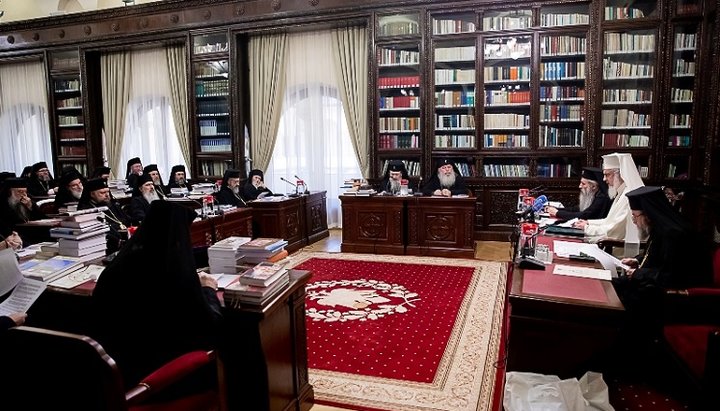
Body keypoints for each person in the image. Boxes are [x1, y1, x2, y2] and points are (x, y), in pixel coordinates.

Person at [90, 201, 222, 393]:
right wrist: (208, 289)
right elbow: (212, 325)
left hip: (117, 378)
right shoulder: (175, 277)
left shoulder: (115, 269)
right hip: (160, 384)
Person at [573, 153, 644, 241]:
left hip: (618, 249)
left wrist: (587, 228)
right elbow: (609, 221)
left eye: (607, 175)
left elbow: (613, 231)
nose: (604, 179)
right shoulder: (621, 192)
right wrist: (589, 223)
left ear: (620, 174)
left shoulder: (628, 197)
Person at [78, 178, 132, 254]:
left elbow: (127, 219)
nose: (107, 195)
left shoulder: (112, 204)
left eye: (108, 191)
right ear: (92, 194)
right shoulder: (87, 210)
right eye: (102, 193)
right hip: (106, 246)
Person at [546, 167, 611, 220]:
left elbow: (585, 215)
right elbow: (577, 209)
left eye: (583, 184)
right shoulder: (593, 194)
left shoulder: (602, 198)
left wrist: (558, 213)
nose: (579, 186)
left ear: (593, 186)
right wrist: (555, 209)